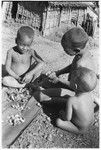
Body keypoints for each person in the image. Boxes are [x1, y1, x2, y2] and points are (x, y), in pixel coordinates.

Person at [56, 67, 98, 134]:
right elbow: (97, 106)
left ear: (75, 86)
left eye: (70, 80)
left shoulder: (72, 100)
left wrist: (62, 113)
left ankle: (79, 131)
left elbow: (67, 118)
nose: (69, 81)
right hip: (91, 122)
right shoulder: (90, 95)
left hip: (80, 128)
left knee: (58, 121)